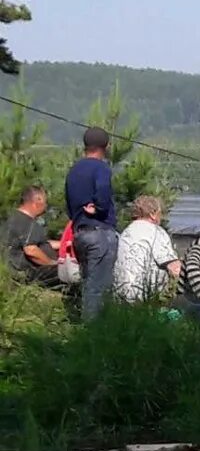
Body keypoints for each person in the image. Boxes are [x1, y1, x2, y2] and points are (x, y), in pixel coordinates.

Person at [64, 127, 118, 319]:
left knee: (88, 283)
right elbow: (103, 191)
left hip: (80, 233)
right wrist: (100, 208)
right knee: (100, 288)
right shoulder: (101, 168)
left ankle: (86, 326)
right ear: (106, 146)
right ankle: (94, 335)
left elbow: (69, 205)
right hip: (100, 232)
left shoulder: (73, 170)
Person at [112, 195, 182, 303]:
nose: (161, 217)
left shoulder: (126, 232)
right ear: (153, 214)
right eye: (160, 213)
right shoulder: (156, 232)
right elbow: (174, 268)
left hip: (120, 295)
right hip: (145, 297)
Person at [4, 185, 62, 288]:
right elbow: (31, 250)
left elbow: (41, 244)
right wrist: (52, 263)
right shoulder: (25, 221)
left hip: (19, 271)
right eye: (45, 202)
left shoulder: (16, 218)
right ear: (37, 201)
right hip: (26, 273)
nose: (45, 207)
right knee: (72, 271)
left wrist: (66, 243)